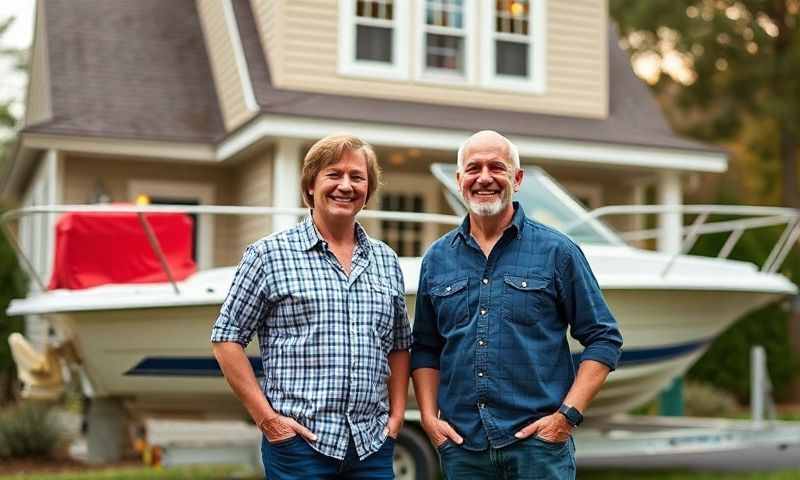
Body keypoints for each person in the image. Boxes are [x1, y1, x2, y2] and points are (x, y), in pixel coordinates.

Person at [410, 130, 623, 479]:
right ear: (460, 180)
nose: (484, 177)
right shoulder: (437, 259)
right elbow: (425, 348)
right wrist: (431, 420)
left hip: (538, 450)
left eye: (497, 167)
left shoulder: (558, 252)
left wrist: (566, 418)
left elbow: (604, 338)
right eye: (473, 168)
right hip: (464, 451)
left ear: (517, 179)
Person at [211, 134, 411, 480]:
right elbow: (226, 339)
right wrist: (268, 421)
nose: (345, 186)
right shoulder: (268, 255)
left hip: (371, 446)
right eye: (334, 174)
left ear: (368, 189)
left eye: (357, 177)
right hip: (299, 448)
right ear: (310, 186)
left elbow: (399, 345)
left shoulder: (387, 261)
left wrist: (395, 418)